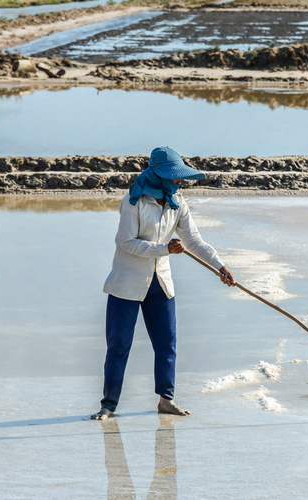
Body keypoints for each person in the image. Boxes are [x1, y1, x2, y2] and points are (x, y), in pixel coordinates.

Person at [92, 147, 238, 420]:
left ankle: (166, 400)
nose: (179, 182)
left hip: (161, 283)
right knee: (119, 345)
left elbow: (193, 241)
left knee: (166, 343)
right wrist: (164, 249)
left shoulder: (177, 202)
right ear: (159, 176)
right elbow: (125, 242)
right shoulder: (133, 202)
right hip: (127, 283)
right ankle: (108, 405)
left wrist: (220, 266)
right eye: (175, 177)